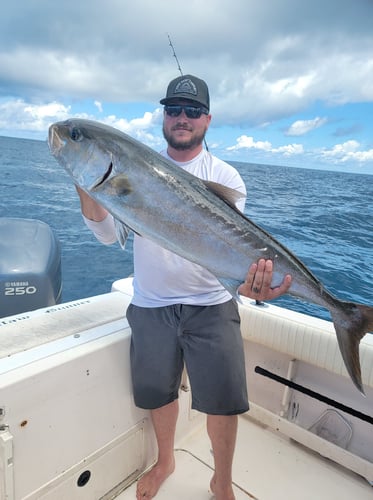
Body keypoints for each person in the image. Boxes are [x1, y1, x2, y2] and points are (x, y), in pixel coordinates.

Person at [76, 74, 292, 500]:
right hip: (152, 304)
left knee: (223, 402)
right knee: (159, 394)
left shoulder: (225, 178)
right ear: (164, 115)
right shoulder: (131, 168)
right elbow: (107, 237)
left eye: (192, 111)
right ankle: (165, 460)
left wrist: (254, 286)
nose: (182, 118)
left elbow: (228, 258)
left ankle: (222, 482)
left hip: (211, 306)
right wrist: (85, 179)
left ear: (207, 119)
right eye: (174, 108)